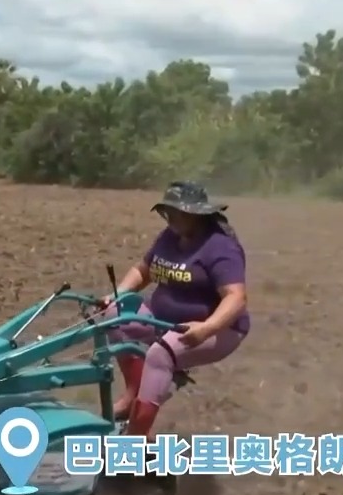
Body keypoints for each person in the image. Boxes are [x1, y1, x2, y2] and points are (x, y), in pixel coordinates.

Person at [105, 181, 250, 438]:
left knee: (160, 354)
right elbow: (143, 270)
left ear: (197, 214)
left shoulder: (219, 246)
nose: (170, 218)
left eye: (177, 212)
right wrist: (119, 294)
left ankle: (137, 435)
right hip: (163, 318)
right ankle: (133, 395)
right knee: (115, 316)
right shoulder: (169, 237)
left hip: (215, 327)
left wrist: (207, 328)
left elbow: (236, 298)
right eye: (167, 212)